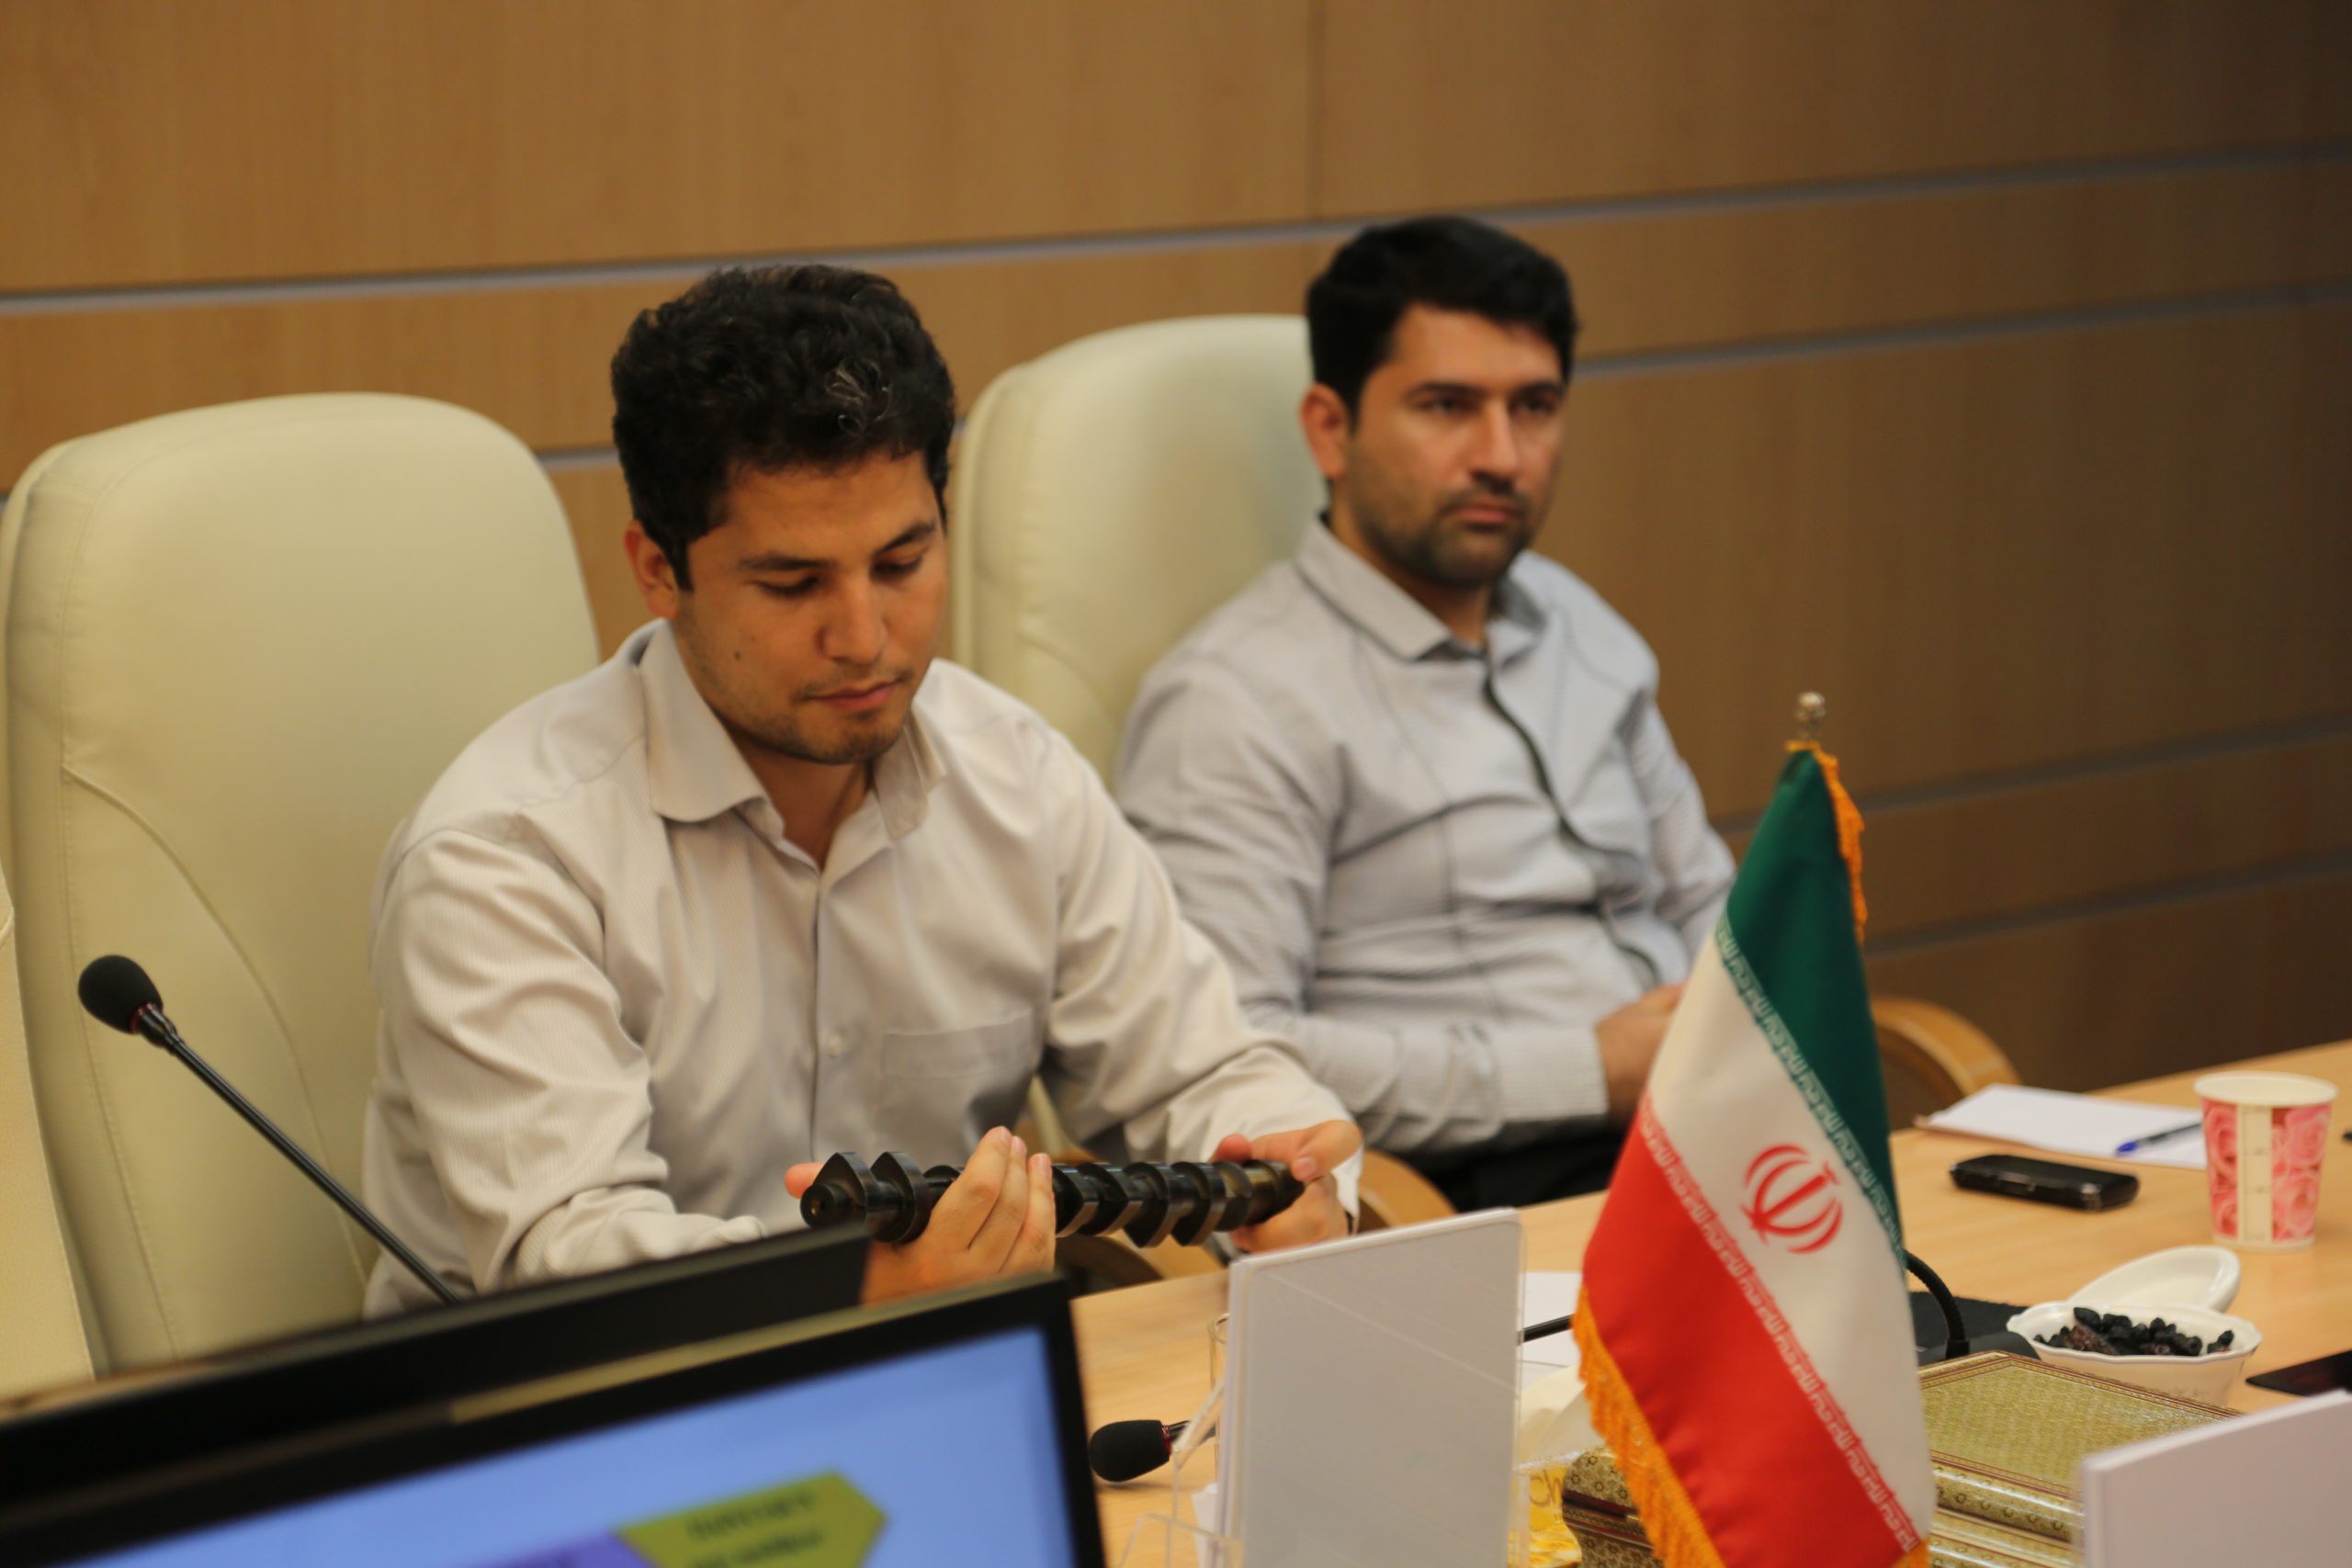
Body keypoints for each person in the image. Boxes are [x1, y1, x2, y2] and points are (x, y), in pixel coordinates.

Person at [361, 265, 1355, 1313]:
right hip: (576, 1404)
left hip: (948, 1368)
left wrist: (1287, 1170)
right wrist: (860, 1289)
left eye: (901, 563)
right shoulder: (505, 853)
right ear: (658, 571)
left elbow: (1200, 1072)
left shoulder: (1015, 773)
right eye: (793, 584)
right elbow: (573, 1259)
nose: (865, 636)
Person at [1117, 217, 1732, 1210]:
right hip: (1482, 1185)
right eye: (1447, 407)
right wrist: (1586, 1071)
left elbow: (1707, 902)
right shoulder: (1236, 699)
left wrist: (1747, 1033)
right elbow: (1232, 1051)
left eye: (1534, 407)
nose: (1502, 456)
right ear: (1331, 429)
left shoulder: (1580, 622)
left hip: (1714, 1132)